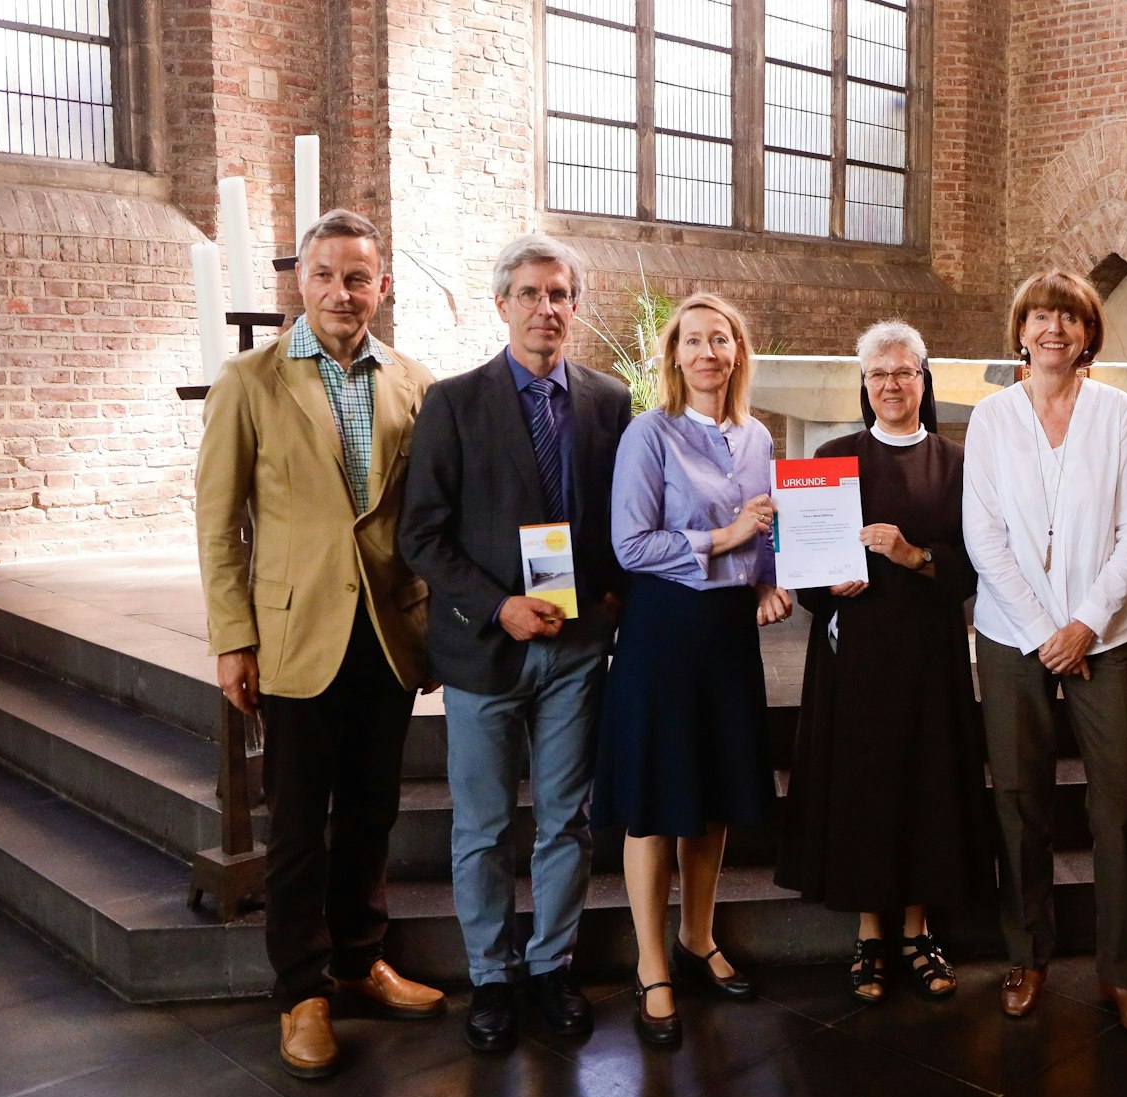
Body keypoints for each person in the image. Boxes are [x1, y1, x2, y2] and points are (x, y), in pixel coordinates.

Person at [195, 208, 443, 1079]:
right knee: (299, 822)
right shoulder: (250, 380)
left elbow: (424, 516)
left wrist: (436, 624)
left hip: (388, 631)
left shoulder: (414, 382)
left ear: (383, 286)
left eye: (359, 277)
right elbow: (219, 523)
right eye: (327, 275)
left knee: (373, 810)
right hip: (296, 633)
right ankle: (302, 990)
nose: (343, 292)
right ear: (302, 281)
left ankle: (359, 958)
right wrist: (234, 637)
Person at [399, 234, 632, 1052]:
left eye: (559, 293)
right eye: (530, 293)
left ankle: (551, 967)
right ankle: (492, 975)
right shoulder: (454, 402)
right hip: (485, 647)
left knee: (567, 819)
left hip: (576, 647)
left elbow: (623, 514)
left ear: (575, 305)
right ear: (502, 304)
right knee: (485, 825)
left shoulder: (608, 401)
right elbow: (421, 534)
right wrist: (499, 607)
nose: (546, 308)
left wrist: (611, 592)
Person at [962, 270, 1127, 1038]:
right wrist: (1048, 629)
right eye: (1040, 317)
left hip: (1104, 637)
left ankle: (1124, 971)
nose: (1054, 330)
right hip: (1014, 636)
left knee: (1120, 803)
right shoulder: (992, 418)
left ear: (1087, 333)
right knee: (1019, 799)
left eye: (1069, 318)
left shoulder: (1117, 413)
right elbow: (984, 536)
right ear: (1021, 330)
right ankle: (1028, 954)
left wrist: (1083, 625)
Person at [595, 292, 791, 1047]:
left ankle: (697, 937)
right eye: (693, 340)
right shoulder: (650, 433)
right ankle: (651, 966)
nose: (708, 352)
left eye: (722, 339)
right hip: (663, 633)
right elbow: (630, 544)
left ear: (739, 352)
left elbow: (766, 538)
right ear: (673, 355)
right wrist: (724, 537)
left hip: (728, 636)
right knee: (655, 800)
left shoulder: (757, 436)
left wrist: (767, 580)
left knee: (712, 796)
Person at [775, 320, 986, 1002]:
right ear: (864, 385)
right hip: (855, 656)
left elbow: (976, 566)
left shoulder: (957, 463)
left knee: (928, 785)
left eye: (904, 372)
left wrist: (913, 555)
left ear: (924, 381)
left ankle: (918, 930)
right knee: (862, 789)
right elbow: (802, 568)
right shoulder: (832, 457)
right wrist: (824, 585)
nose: (891, 384)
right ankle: (870, 933)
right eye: (878, 374)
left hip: (930, 654)